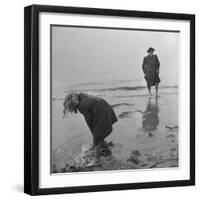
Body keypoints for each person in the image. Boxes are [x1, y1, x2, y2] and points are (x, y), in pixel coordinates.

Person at [63, 92, 118, 165]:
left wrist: (94, 136)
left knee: (97, 135)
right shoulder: (83, 97)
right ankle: (102, 144)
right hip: (105, 106)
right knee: (99, 131)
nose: (72, 110)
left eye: (71, 108)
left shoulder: (82, 106)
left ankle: (96, 160)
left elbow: (89, 120)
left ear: (73, 105)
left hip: (101, 111)